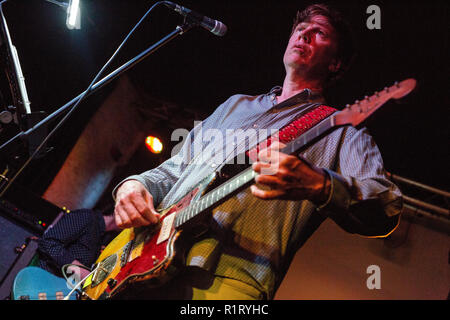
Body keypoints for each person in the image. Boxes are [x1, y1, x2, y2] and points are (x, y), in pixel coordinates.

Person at [111, 4, 402, 300]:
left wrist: (321, 185)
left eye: (319, 33)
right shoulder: (235, 105)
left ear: (336, 63)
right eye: (301, 30)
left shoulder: (343, 132)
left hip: (230, 281)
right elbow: (175, 168)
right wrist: (135, 184)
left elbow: (386, 206)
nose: (304, 36)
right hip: (143, 260)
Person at [37, 207, 120, 282]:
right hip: (46, 281)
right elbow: (48, 242)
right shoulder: (87, 217)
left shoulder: (103, 237)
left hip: (64, 288)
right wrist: (81, 271)